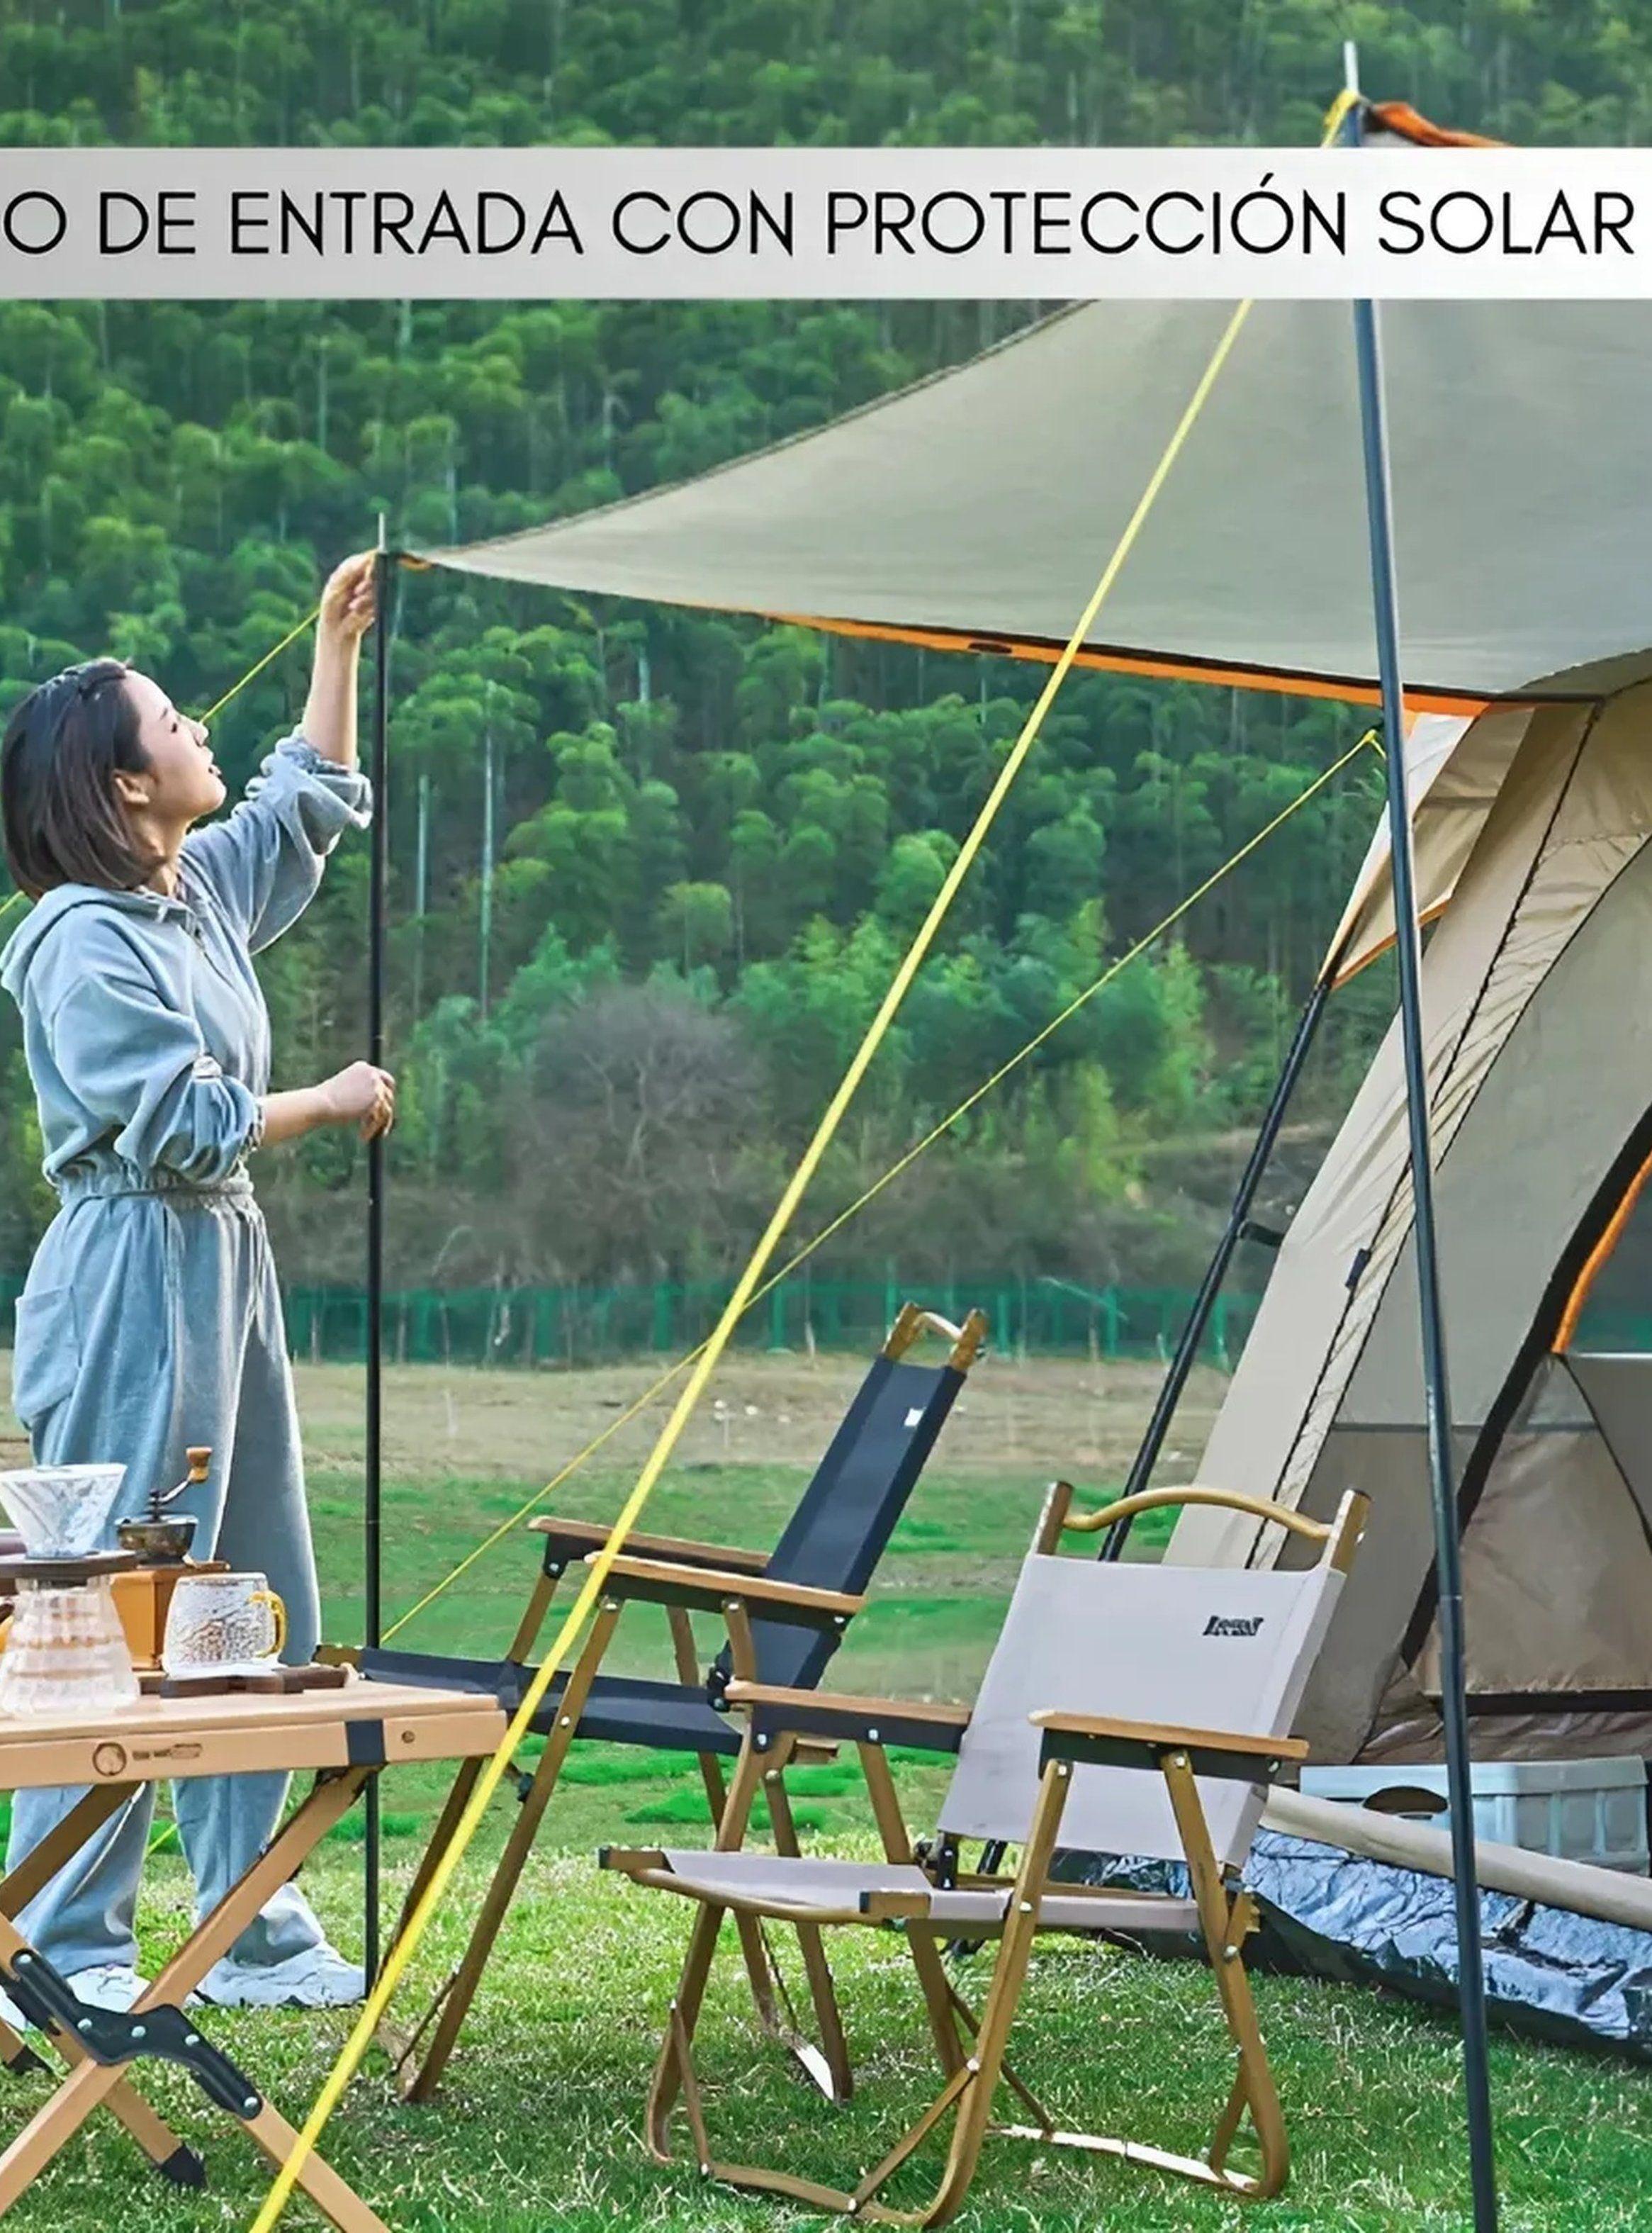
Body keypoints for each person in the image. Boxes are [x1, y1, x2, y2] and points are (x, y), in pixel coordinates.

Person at [0, 552, 395, 2013]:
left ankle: (250, 1919)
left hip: (221, 1256)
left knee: (241, 1583)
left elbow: (304, 800)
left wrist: (332, 649)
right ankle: (64, 1940)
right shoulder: (75, 944)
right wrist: (332, 1093)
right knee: (109, 1601)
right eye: (173, 723)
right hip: (129, 1261)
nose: (199, 736)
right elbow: (180, 1118)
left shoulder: (190, 896)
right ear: (118, 786)